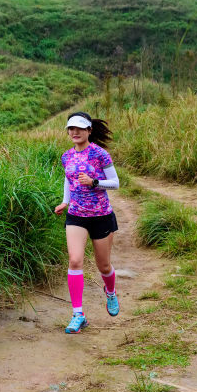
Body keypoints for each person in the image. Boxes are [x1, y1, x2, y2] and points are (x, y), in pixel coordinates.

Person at [54, 111, 120, 334]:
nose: (74, 132)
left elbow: (115, 183)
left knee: (103, 266)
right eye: (71, 129)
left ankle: (110, 292)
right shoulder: (66, 156)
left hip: (101, 215)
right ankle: (77, 314)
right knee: (74, 261)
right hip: (76, 215)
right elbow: (68, 179)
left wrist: (94, 182)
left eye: (79, 129)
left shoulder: (100, 154)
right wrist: (65, 202)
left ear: (89, 130)